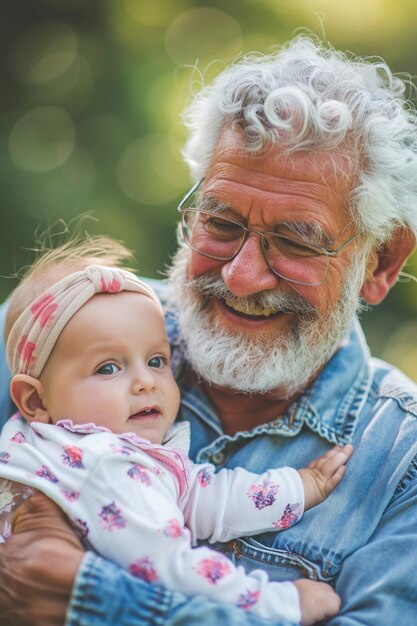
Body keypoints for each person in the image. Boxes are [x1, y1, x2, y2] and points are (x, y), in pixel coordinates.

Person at [1, 33, 417, 626]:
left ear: (379, 264)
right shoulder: (63, 324)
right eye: (220, 223)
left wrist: (92, 601)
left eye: (296, 242)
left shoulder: (402, 462)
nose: (242, 277)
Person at [0, 244, 352, 625]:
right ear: (35, 399)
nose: (145, 382)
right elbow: (171, 569)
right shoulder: (104, 465)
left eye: (156, 361)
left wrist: (297, 487)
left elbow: (205, 496)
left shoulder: (51, 442)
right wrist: (282, 604)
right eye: (107, 368)